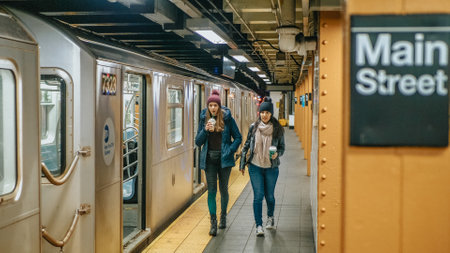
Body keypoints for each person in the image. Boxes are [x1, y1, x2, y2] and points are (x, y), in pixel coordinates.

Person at [195, 89, 242, 236]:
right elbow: (198, 142)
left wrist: (230, 150)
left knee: (224, 190)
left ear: (219, 106)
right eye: (211, 106)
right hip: (209, 159)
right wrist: (205, 130)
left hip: (224, 159)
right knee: (211, 191)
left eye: (216, 105)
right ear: (208, 107)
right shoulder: (204, 120)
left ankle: (223, 217)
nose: (213, 108)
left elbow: (238, 137)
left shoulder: (228, 119)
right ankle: (213, 223)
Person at [239, 97, 285, 237]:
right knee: (258, 196)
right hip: (255, 166)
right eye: (262, 112)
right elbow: (247, 145)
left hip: (271, 168)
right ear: (259, 113)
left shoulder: (277, 129)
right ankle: (259, 225)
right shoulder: (254, 127)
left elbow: (282, 148)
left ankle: (270, 217)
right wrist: (242, 163)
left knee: (269, 196)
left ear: (271, 114)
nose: (264, 115)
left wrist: (277, 154)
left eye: (267, 112)